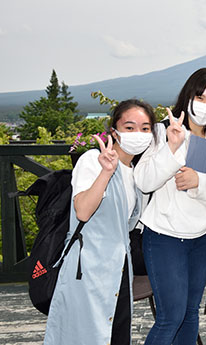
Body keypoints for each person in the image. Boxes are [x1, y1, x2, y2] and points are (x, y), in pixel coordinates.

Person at [44, 99, 156, 345]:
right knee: (83, 335)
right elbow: (82, 211)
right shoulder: (93, 160)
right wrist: (105, 173)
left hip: (119, 269)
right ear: (114, 131)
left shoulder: (136, 173)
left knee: (115, 334)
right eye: (130, 127)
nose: (138, 134)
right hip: (88, 268)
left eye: (145, 128)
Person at [133, 68, 206, 344]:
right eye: (200, 97)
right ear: (188, 96)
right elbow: (144, 181)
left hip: (201, 238)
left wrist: (198, 181)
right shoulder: (163, 130)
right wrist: (172, 149)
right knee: (170, 317)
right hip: (165, 238)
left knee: (189, 314)